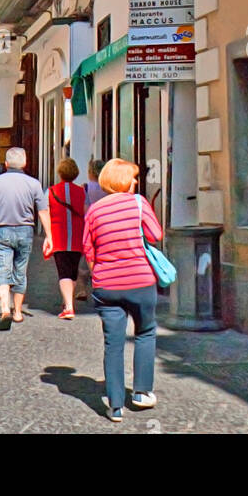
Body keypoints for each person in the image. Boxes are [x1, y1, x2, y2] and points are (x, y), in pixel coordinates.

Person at [81, 158, 161, 423]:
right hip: (140, 281)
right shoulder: (139, 203)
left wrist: (98, 274)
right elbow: (155, 235)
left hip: (107, 285)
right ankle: (141, 392)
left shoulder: (94, 210)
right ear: (123, 180)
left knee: (113, 343)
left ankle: (115, 405)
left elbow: (88, 248)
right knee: (145, 332)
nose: (136, 182)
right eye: (133, 177)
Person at [0, 147, 52, 327]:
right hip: (25, 230)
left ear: (5, 164)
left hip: (2, 230)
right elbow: (43, 211)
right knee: (21, 270)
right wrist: (49, 236)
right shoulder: (34, 184)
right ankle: (18, 311)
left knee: (2, 269)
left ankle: (5, 308)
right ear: (25, 163)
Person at [48, 157, 86, 320]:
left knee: (63, 272)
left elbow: (46, 213)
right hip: (78, 236)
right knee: (72, 271)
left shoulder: (51, 191)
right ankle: (68, 301)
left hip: (59, 236)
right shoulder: (81, 192)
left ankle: (69, 307)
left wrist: (47, 236)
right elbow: (85, 212)